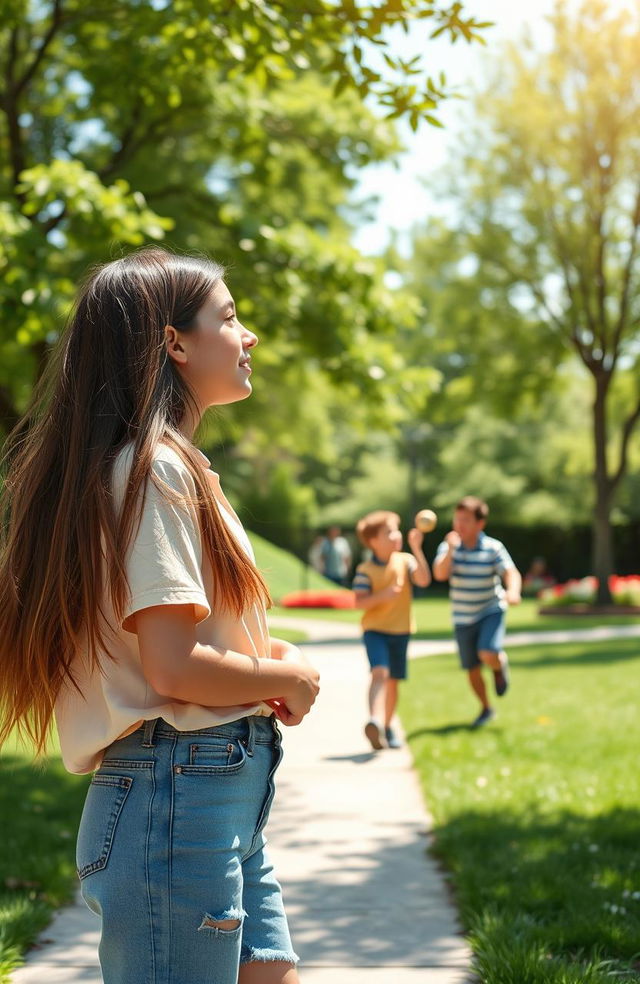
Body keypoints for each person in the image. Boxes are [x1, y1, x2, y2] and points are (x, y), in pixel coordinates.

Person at [0, 248, 320, 984]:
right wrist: (289, 679)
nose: (250, 336)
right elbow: (172, 669)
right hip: (179, 791)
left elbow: (180, 640)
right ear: (173, 342)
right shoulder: (154, 470)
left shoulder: (170, 465)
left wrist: (267, 655)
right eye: (230, 317)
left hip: (208, 791)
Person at [432, 496, 521, 729]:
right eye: (457, 519)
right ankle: (485, 707)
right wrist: (450, 550)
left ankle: (498, 666)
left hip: (490, 609)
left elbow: (511, 572)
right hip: (462, 616)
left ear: (480, 524)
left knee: (487, 652)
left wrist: (513, 591)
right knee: (471, 669)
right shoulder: (448, 547)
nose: (459, 524)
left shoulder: (493, 547)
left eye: (466, 520)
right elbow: (440, 574)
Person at [352, 510, 431, 750]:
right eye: (389, 532)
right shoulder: (365, 569)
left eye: (396, 530)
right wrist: (383, 596)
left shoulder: (405, 560)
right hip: (375, 630)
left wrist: (417, 548)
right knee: (380, 673)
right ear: (374, 541)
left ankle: (386, 727)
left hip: (401, 630)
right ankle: (374, 720)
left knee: (394, 681)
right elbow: (359, 601)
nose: (397, 535)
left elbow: (424, 580)